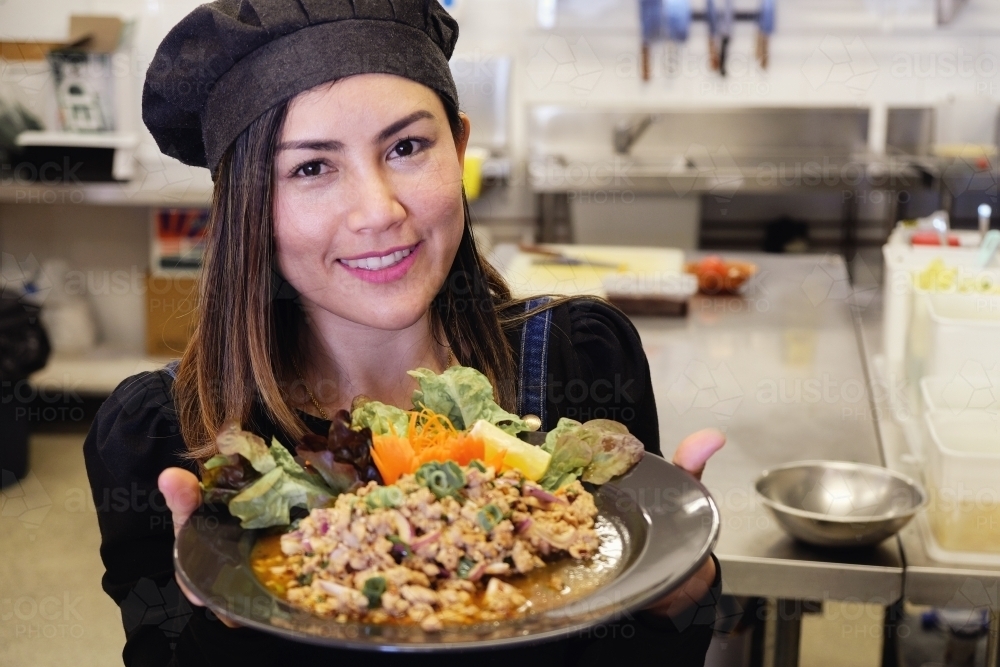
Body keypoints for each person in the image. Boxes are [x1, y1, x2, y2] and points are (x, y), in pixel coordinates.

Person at [83, 1, 726, 665]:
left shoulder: (579, 359)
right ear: (247, 206)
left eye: (407, 147)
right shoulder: (162, 437)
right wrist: (218, 632)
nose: (379, 211)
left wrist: (676, 603)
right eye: (311, 167)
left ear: (461, 148)